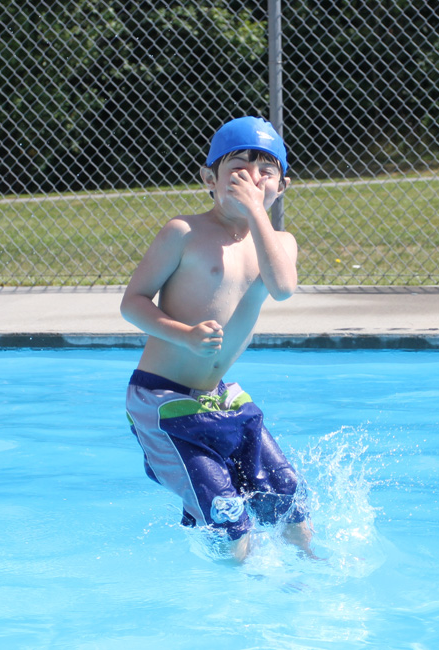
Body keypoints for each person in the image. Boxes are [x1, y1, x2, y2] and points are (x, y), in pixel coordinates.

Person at [121, 116, 315, 562]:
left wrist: (256, 215)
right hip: (160, 399)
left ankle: (309, 576)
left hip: (217, 397)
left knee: (289, 503)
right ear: (210, 179)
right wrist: (184, 335)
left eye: (265, 171)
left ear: (281, 186)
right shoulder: (184, 233)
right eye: (239, 169)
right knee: (230, 524)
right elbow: (132, 302)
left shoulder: (280, 242)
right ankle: (235, 599)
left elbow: (283, 288)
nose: (252, 178)